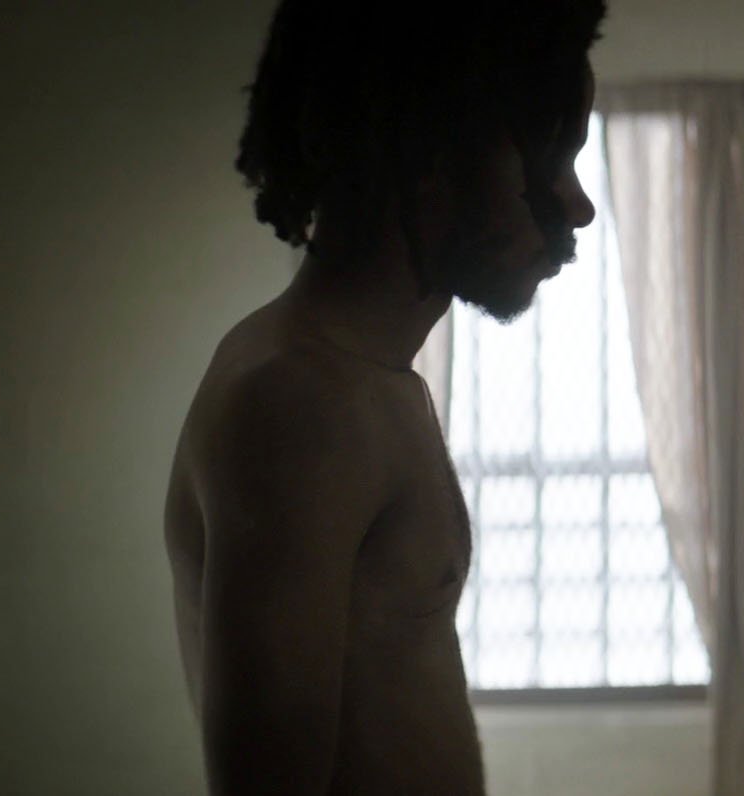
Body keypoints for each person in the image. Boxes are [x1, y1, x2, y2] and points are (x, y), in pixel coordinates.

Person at [162, 1, 603, 792]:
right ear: (435, 150)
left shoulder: (369, 383)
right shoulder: (300, 405)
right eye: (549, 157)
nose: (577, 206)